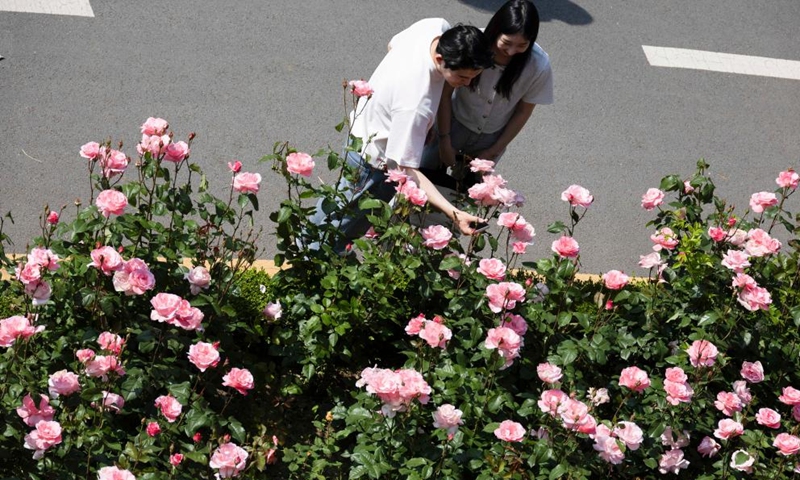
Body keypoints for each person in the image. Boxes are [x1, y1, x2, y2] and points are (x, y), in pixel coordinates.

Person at [309, 19, 494, 250]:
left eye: (474, 76)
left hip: (363, 132)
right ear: (440, 59)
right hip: (373, 167)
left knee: (333, 213)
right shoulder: (415, 104)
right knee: (336, 230)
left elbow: (392, 45)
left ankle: (306, 250)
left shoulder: (433, 28)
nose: (468, 84)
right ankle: (307, 264)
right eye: (462, 77)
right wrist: (454, 213)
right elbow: (406, 170)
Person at [421, 0, 553, 176]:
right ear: (496, 30)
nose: (512, 51)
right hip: (453, 123)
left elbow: (523, 111)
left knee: (467, 194)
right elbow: (445, 93)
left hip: (491, 137)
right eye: (506, 42)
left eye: (522, 45)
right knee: (423, 177)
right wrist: (444, 139)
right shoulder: (474, 45)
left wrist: (494, 150)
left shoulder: (538, 65)